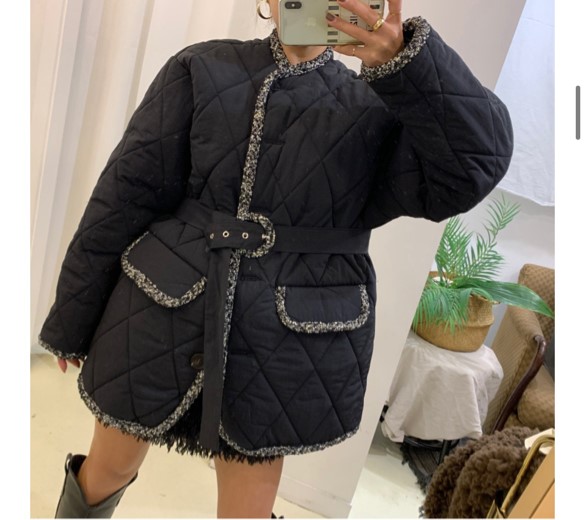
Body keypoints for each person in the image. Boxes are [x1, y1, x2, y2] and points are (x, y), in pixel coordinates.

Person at [38, 0, 513, 518]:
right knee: (106, 471)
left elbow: (475, 165)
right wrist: (72, 318)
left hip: (285, 339)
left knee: (246, 509)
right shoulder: (201, 66)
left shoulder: (379, 106)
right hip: (160, 309)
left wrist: (409, 62)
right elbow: (125, 193)